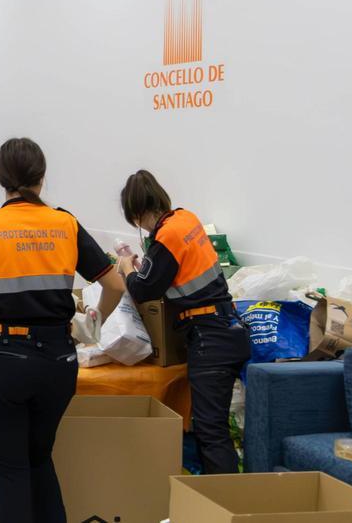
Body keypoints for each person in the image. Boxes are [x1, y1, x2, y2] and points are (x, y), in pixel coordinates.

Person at [0, 137, 125, 523]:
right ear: (42, 177)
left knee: (11, 469)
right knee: (39, 459)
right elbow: (116, 285)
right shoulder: (65, 224)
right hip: (58, 358)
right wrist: (91, 325)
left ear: (1, 178)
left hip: (3, 358)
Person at [115, 169, 251, 475]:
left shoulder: (167, 236)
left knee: (210, 430)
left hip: (210, 339)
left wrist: (126, 268)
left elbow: (143, 289)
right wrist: (146, 267)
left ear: (137, 213)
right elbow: (170, 273)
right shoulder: (186, 219)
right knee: (211, 426)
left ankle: (223, 506)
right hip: (228, 328)